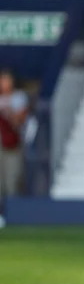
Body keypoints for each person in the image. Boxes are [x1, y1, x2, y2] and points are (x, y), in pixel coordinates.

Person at [0, 70, 28, 199]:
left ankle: (12, 210)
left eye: (7, 80)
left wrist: (8, 111)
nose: (4, 83)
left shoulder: (19, 97)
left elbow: (20, 121)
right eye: (2, 80)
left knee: (13, 178)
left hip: (12, 143)